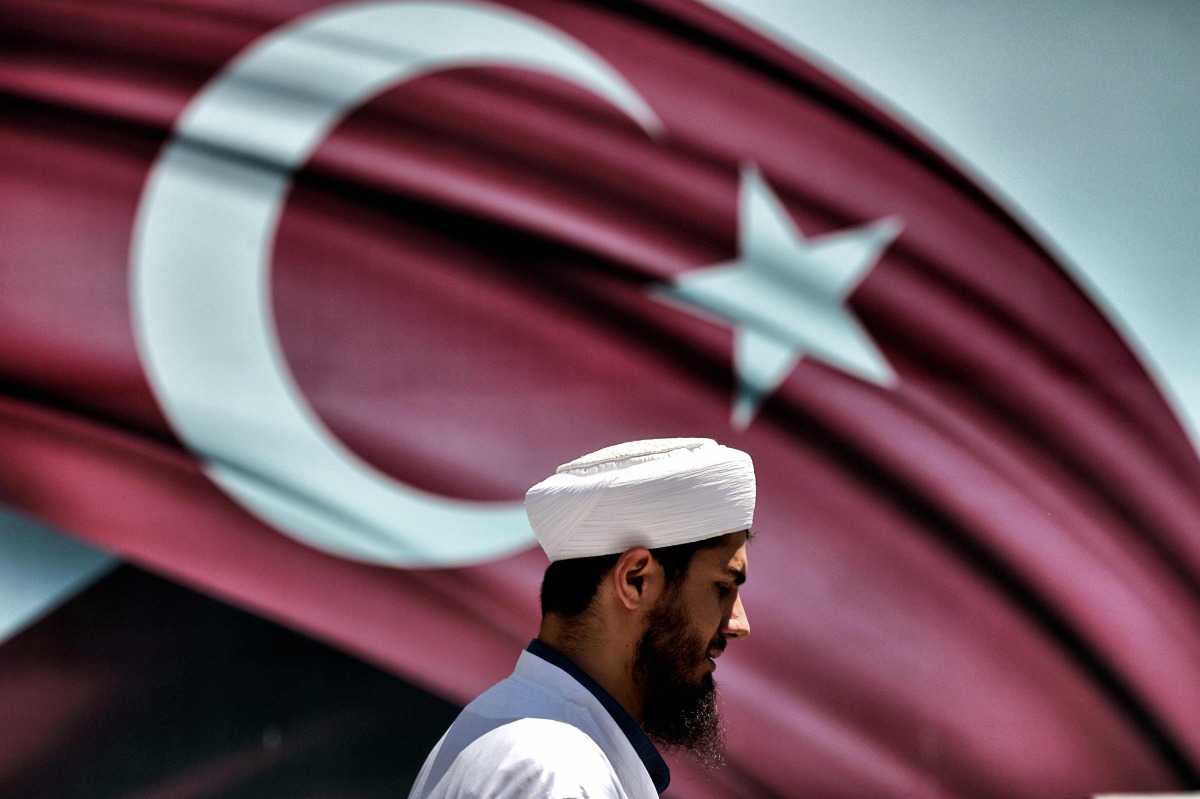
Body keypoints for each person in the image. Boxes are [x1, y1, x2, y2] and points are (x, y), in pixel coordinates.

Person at [407, 438, 756, 799]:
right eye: (722, 587)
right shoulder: (558, 772)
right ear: (636, 579)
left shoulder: (501, 727)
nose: (739, 624)